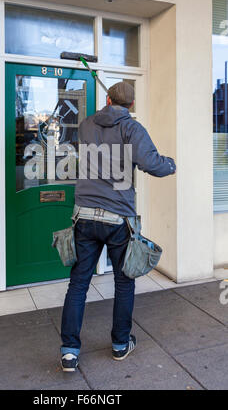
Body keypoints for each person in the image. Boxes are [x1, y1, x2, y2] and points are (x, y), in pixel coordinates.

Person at [60, 81, 176, 372]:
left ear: (108, 100)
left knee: (78, 284)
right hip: (117, 218)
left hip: (84, 216)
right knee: (124, 283)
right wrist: (172, 163)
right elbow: (153, 164)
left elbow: (104, 129)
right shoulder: (131, 128)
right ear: (132, 105)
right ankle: (120, 344)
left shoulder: (86, 124)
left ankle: (69, 352)